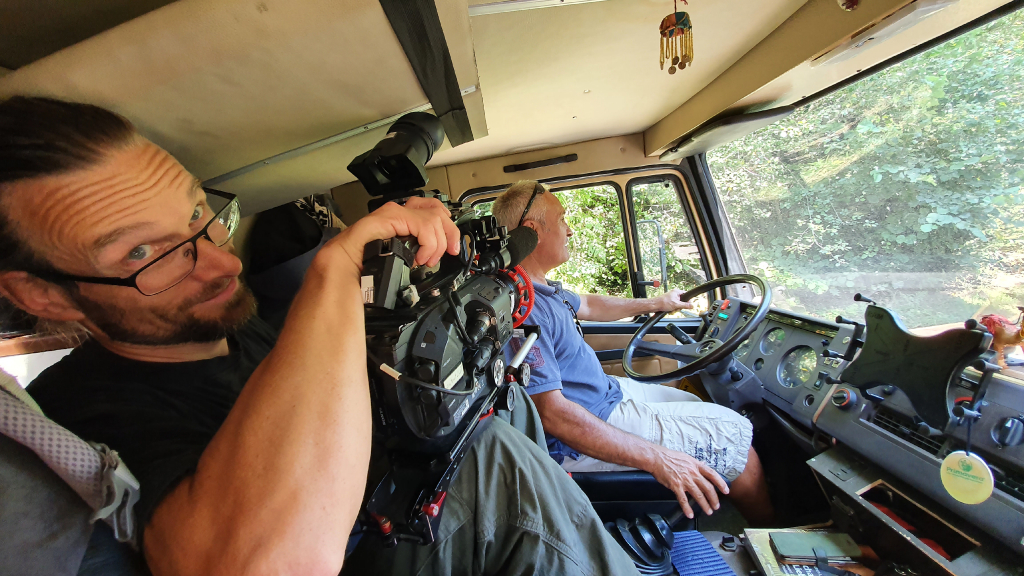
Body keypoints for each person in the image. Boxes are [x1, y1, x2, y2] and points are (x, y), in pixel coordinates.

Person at [0, 97, 639, 576]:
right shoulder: (83, 412)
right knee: (492, 462)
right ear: (43, 295)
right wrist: (334, 270)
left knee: (504, 409)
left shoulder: (241, 326)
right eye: (145, 251)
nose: (223, 261)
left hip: (391, 507)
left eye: (202, 215)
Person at [493, 180, 774, 526]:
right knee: (739, 444)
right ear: (532, 231)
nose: (571, 229)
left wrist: (657, 302)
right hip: (584, 431)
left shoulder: (539, 287)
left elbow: (592, 305)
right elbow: (552, 414)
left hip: (608, 395)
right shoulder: (523, 309)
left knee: (700, 409)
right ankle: (775, 542)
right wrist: (658, 458)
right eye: (563, 219)